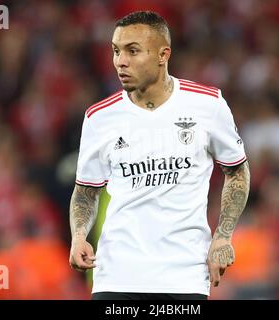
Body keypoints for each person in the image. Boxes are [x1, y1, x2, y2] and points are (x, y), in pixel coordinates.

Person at [69, 11, 250, 300]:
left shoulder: (208, 105)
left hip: (184, 276)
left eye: (132, 51)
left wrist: (223, 236)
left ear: (163, 54)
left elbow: (236, 171)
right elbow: (86, 191)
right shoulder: (99, 118)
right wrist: (79, 235)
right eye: (116, 51)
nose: (120, 61)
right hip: (117, 276)